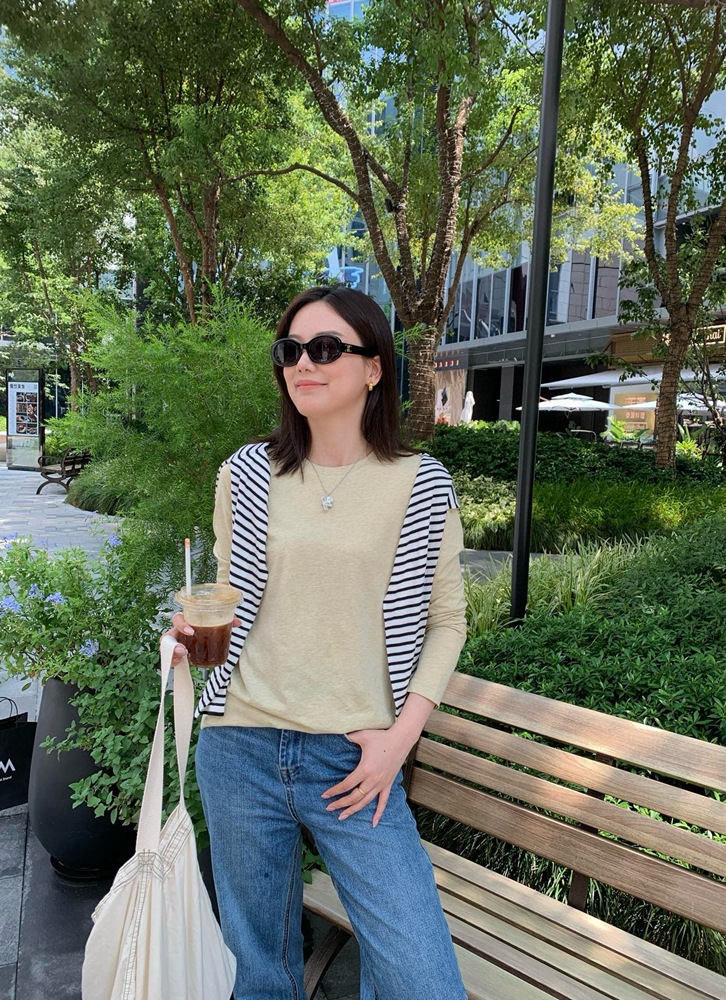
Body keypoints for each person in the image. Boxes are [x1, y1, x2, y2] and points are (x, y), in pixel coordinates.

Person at [168, 285, 468, 1000]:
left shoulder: (421, 485)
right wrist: (190, 637)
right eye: (291, 350)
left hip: (355, 759)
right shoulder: (246, 474)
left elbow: (447, 622)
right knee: (258, 969)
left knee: (421, 978)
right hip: (239, 744)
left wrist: (398, 742)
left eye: (326, 348)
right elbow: (231, 595)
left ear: (373, 368)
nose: (303, 363)